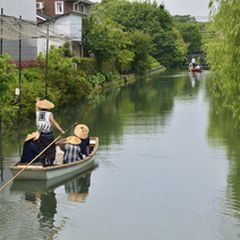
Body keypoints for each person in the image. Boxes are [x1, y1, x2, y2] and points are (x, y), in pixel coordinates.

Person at [36, 98, 65, 167]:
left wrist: (37, 102)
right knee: (51, 149)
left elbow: (37, 107)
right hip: (48, 135)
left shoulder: (38, 113)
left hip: (41, 135)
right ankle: (50, 163)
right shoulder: (49, 114)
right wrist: (61, 130)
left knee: (42, 149)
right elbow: (54, 122)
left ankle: (43, 163)